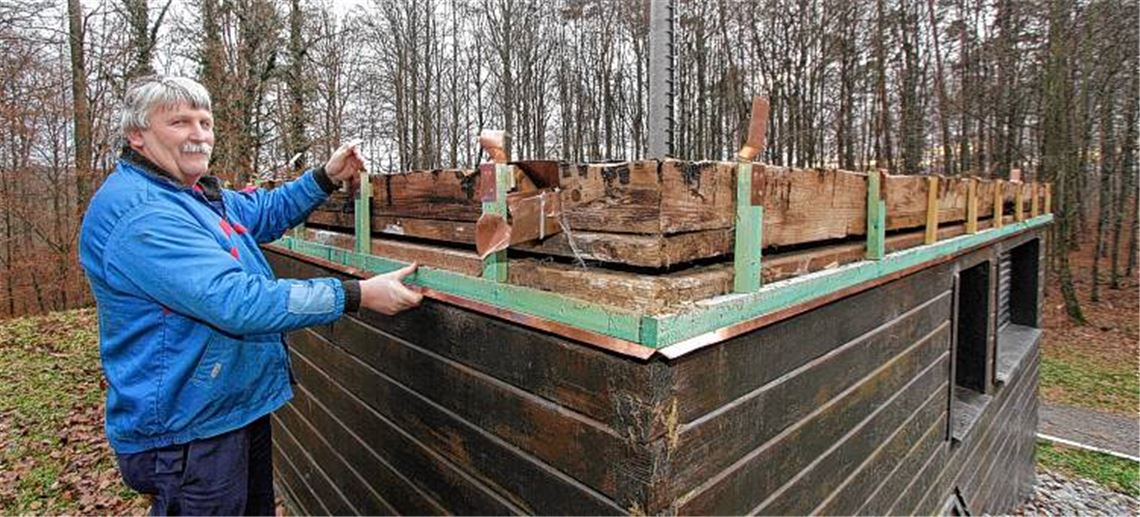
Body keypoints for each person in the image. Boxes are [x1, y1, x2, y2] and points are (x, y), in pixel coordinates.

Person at [78, 75, 422, 515]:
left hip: (223, 407)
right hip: (188, 430)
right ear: (137, 136)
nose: (199, 134)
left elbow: (261, 212)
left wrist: (326, 177)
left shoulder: (188, 195)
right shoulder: (143, 214)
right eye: (179, 122)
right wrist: (355, 294)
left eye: (205, 122)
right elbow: (237, 301)